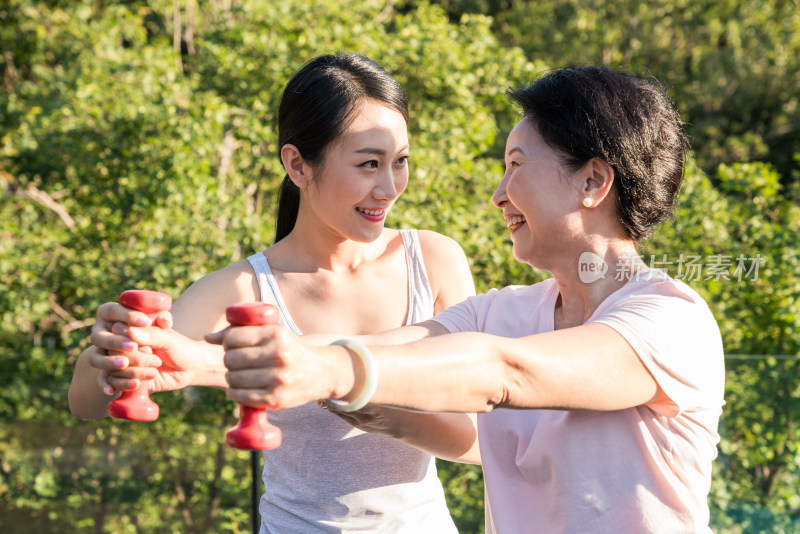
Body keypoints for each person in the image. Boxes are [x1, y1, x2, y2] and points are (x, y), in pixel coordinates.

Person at [213, 66, 726, 533]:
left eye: (516, 165)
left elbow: (503, 373)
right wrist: (189, 359)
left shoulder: (671, 318)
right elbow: (376, 348)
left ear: (592, 181)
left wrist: (331, 372)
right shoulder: (502, 312)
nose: (499, 194)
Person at [68, 53, 477, 533]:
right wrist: (112, 353)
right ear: (298, 165)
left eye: (400, 162)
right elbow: (88, 401)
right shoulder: (239, 291)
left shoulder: (434, 261)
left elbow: (475, 443)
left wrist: (352, 389)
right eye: (369, 164)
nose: (389, 188)